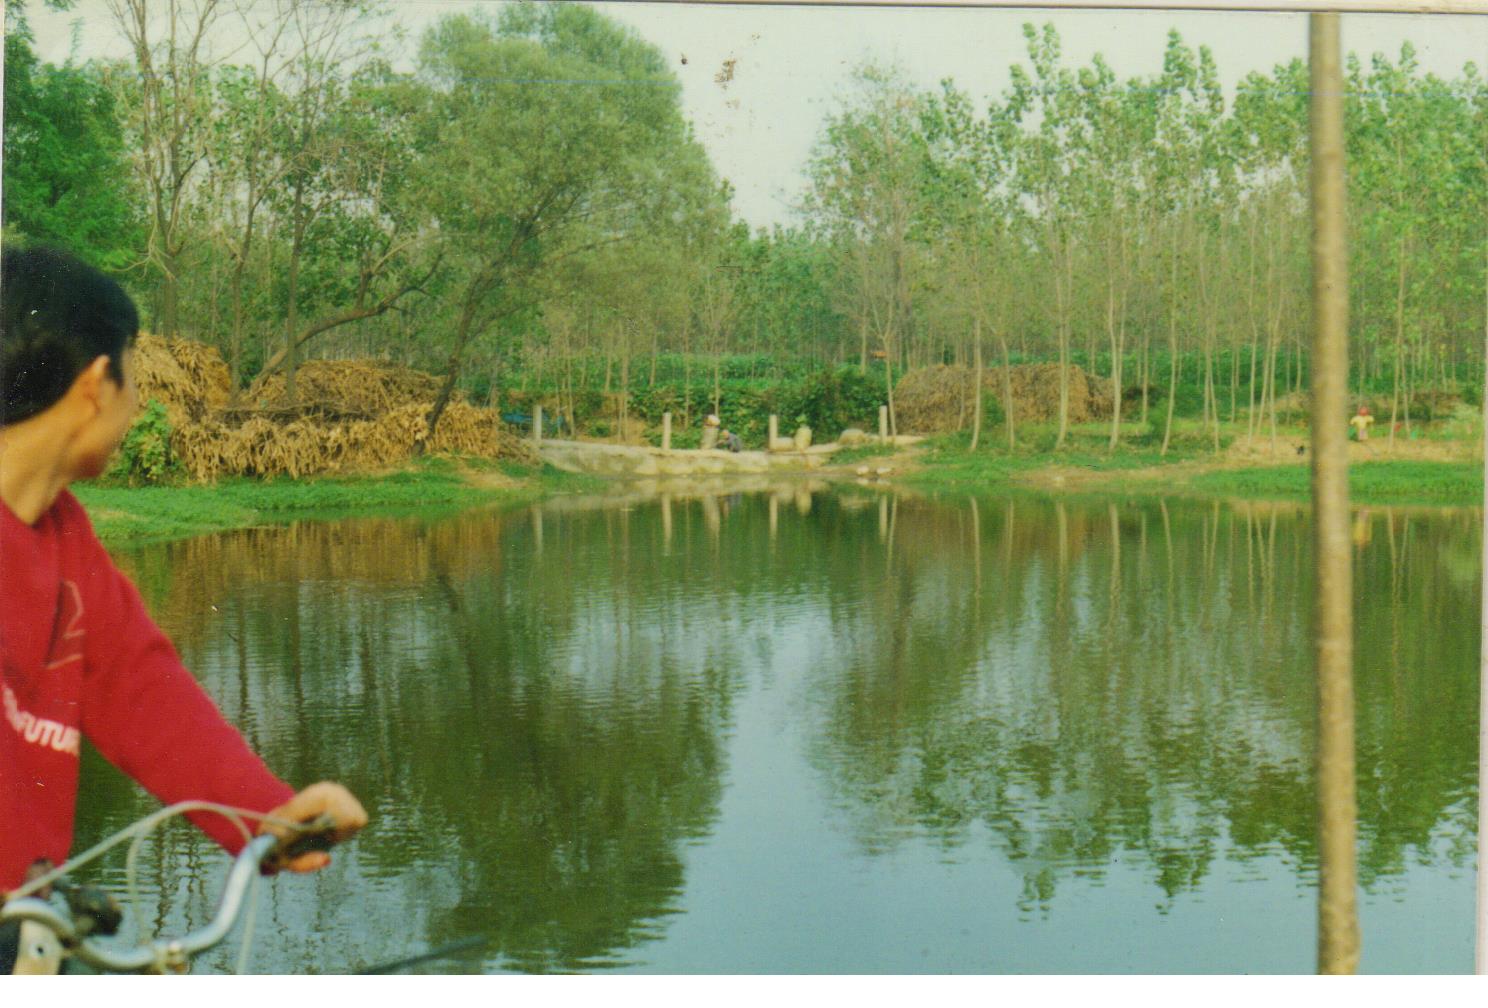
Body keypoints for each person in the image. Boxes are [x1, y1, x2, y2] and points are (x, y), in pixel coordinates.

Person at [0, 248, 367, 919]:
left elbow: (139, 688)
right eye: (134, 381)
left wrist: (266, 816)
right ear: (95, 385)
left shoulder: (62, 534)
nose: (140, 406)